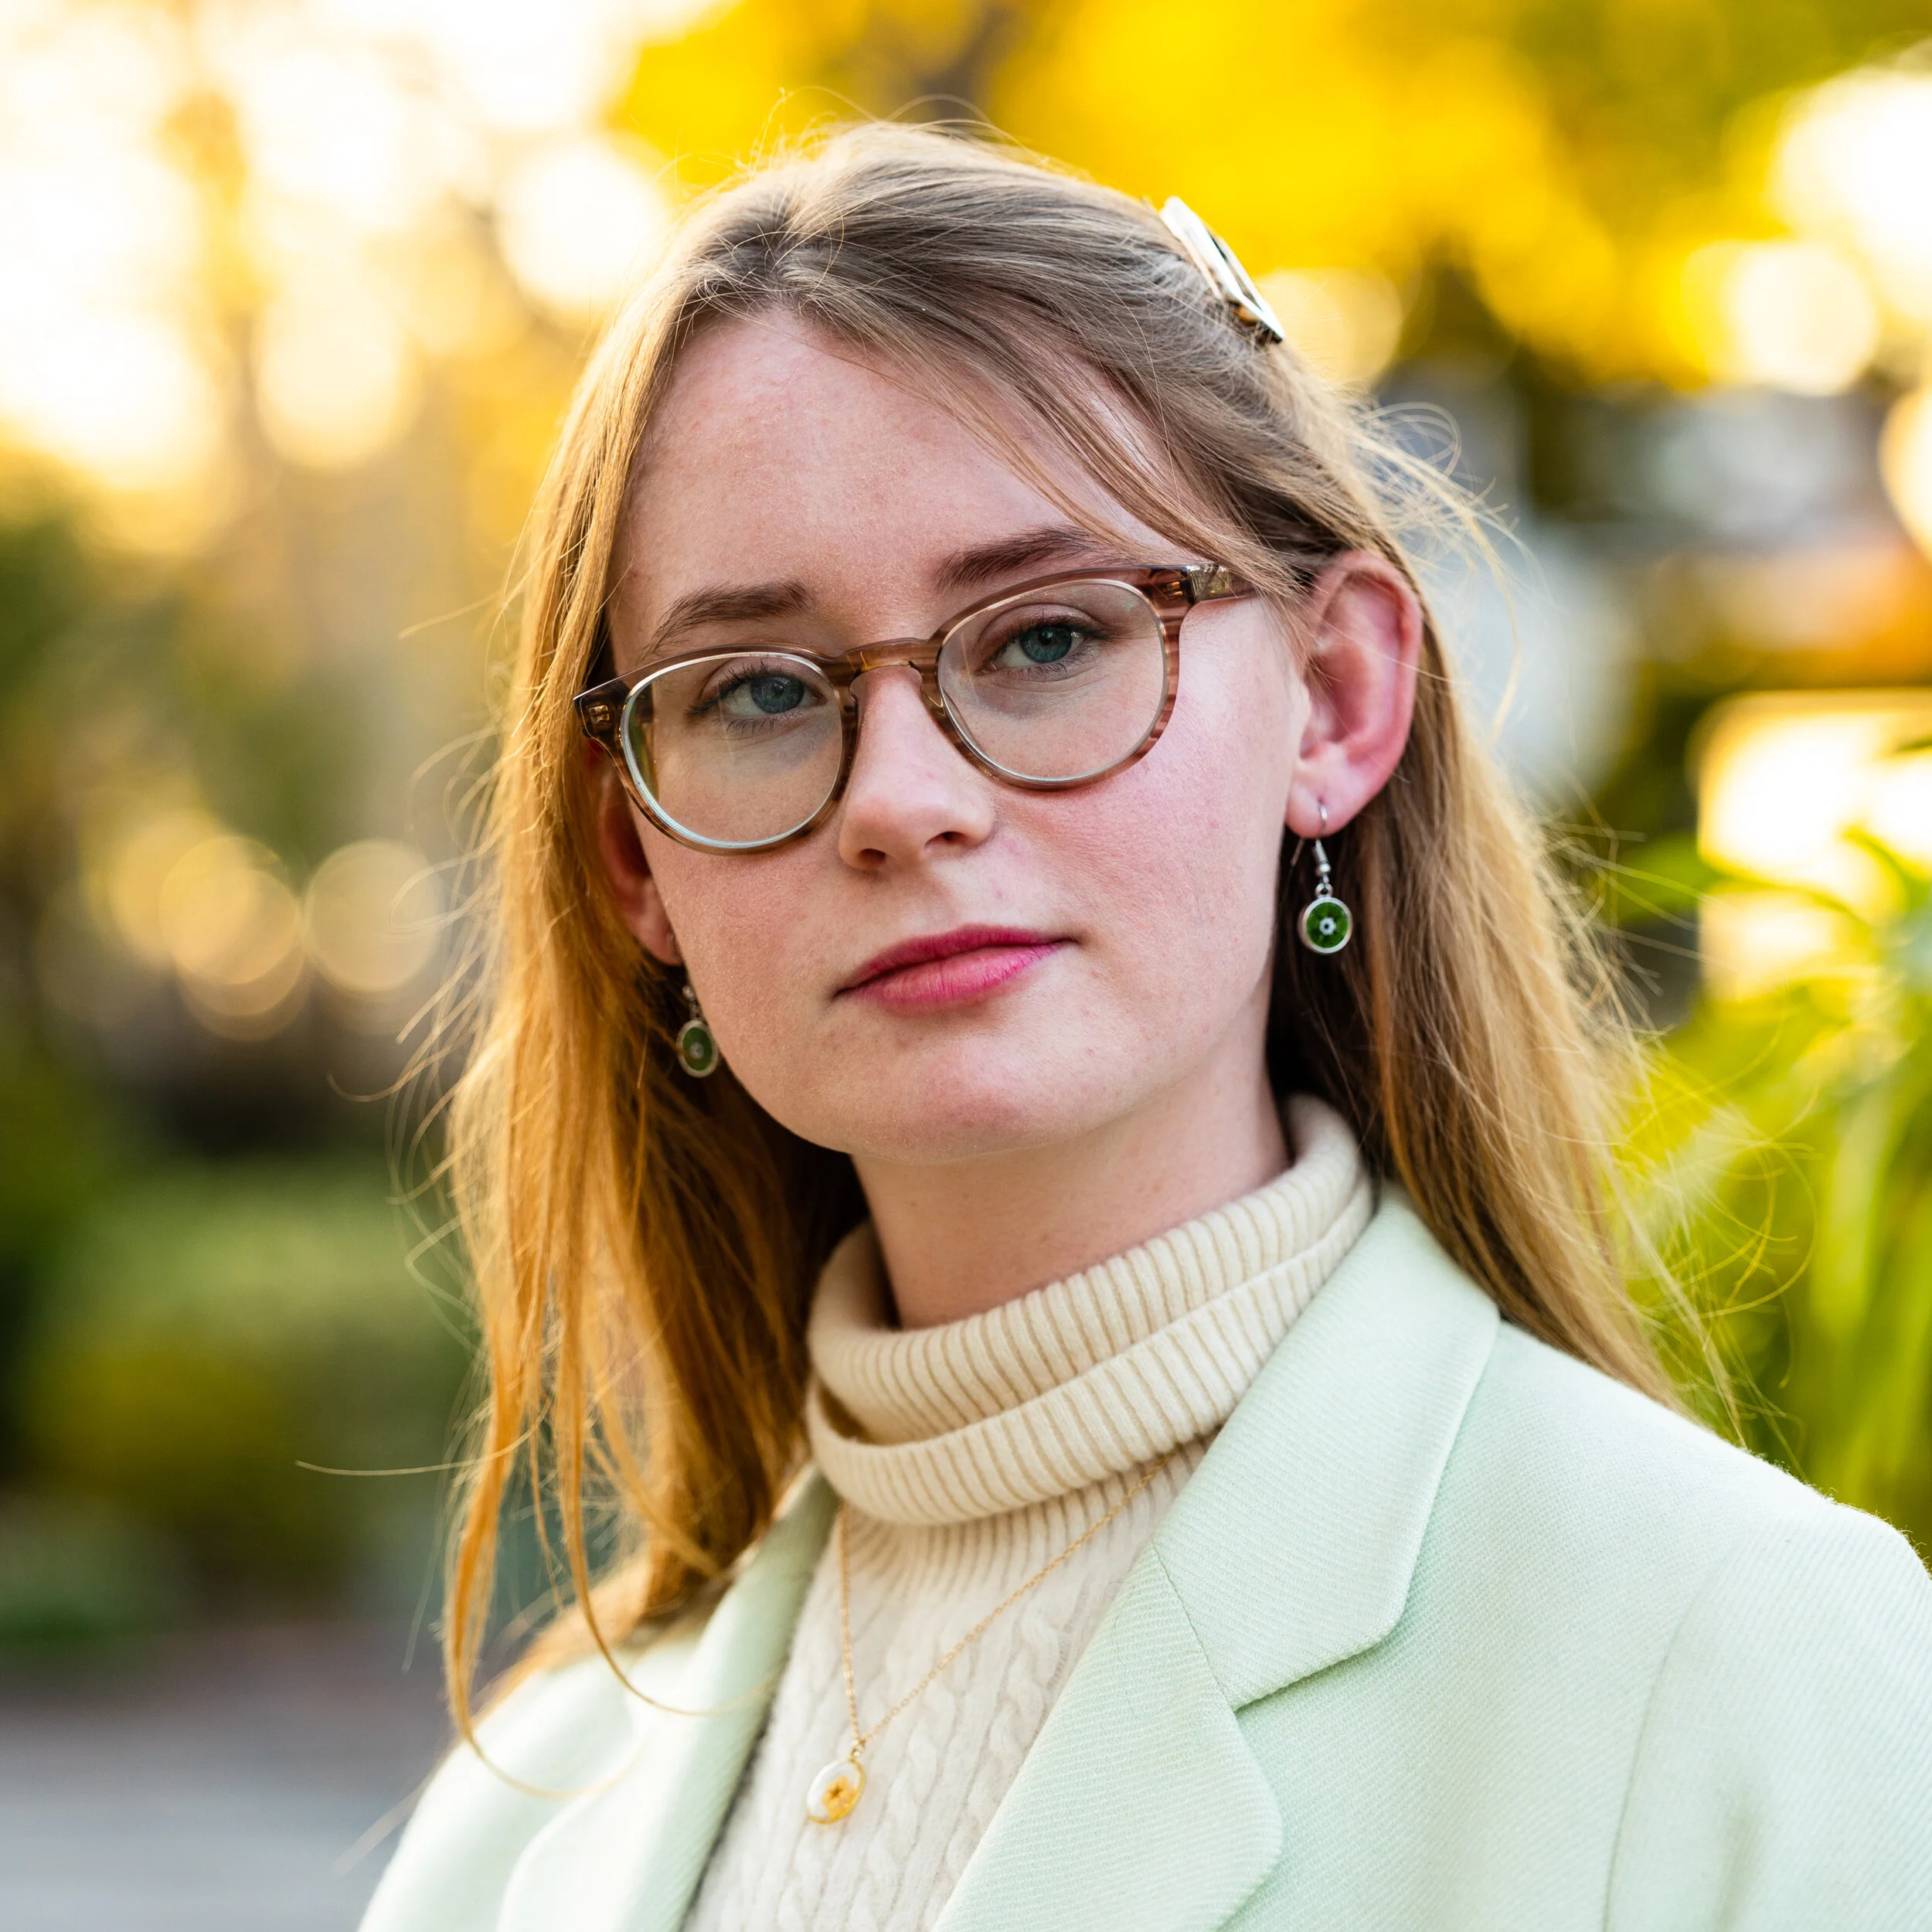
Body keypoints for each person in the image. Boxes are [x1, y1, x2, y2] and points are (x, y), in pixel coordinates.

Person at [361, 126, 1932, 1932]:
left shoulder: (1739, 1663)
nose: (900, 798)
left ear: (1332, 699)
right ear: (635, 853)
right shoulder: (522, 1820)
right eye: (763, 690)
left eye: (1044, 638)